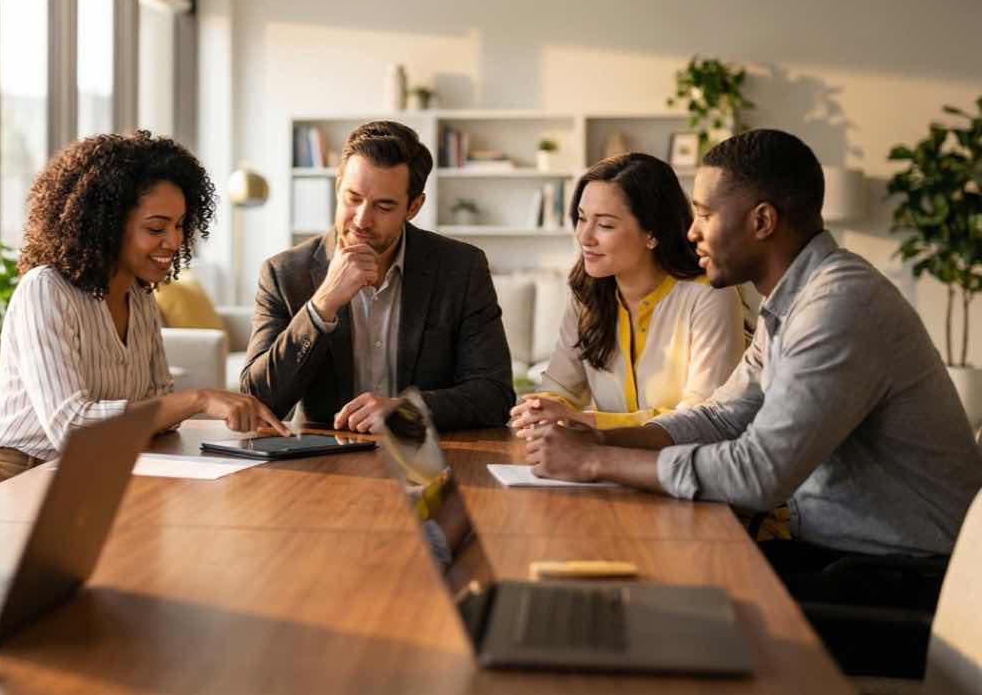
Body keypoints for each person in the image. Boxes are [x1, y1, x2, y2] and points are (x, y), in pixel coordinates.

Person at [523, 130, 982, 646]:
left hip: (907, 581)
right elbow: (720, 417)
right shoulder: (791, 303)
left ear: (762, 221)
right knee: (649, 581)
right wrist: (601, 441)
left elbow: (759, 473)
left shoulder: (838, 306)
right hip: (838, 557)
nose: (691, 232)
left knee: (662, 612)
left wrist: (594, 462)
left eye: (704, 214)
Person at [0, 131, 282, 501]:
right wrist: (199, 399)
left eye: (179, 226)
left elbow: (157, 403)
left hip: (88, 476)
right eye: (156, 228)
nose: (173, 241)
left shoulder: (139, 297)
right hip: (11, 477)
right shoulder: (45, 290)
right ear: (106, 224)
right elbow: (71, 427)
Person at [241, 120, 513, 433]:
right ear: (337, 187)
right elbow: (257, 400)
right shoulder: (284, 273)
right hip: (320, 460)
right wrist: (322, 305)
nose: (361, 220)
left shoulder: (461, 268)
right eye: (352, 198)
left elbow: (494, 395)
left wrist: (405, 410)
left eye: (383, 206)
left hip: (427, 456)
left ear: (413, 207)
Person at [510, 153, 746, 432]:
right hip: (600, 466)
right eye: (582, 219)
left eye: (605, 225)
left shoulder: (710, 295)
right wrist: (541, 408)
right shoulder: (587, 293)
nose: (584, 237)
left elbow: (702, 417)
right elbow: (561, 387)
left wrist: (587, 421)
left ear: (652, 233)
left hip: (681, 468)